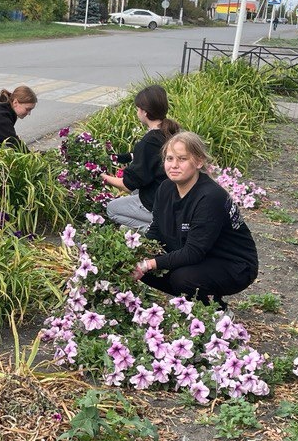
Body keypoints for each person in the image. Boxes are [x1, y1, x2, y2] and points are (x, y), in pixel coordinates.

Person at [130, 131, 259, 305]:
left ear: (199, 161)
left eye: (182, 159)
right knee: (143, 268)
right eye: (169, 159)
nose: (174, 165)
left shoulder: (210, 197)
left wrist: (148, 263)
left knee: (182, 278)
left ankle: (215, 310)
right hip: (203, 256)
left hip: (234, 265)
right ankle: (193, 301)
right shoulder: (166, 188)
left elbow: (194, 252)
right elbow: (156, 230)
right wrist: (137, 255)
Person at [101, 84, 179, 231]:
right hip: (173, 196)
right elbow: (151, 157)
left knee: (112, 209)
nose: (137, 112)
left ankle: (156, 230)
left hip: (159, 203)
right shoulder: (170, 131)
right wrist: (126, 157)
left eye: (138, 109)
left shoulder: (148, 142)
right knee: (136, 194)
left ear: (145, 112)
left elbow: (127, 184)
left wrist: (102, 176)